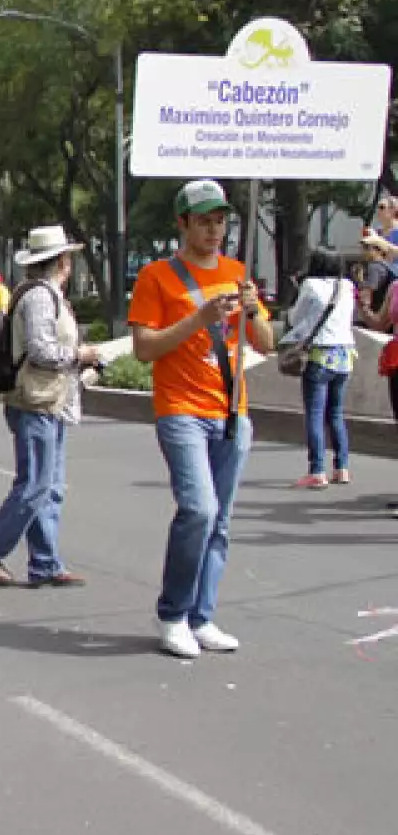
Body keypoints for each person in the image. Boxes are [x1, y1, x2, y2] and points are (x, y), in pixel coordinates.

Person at [129, 180, 274, 659]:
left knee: (221, 521)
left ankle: (201, 616)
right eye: (204, 221)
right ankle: (172, 613)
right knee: (199, 509)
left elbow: (266, 343)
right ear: (183, 224)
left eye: (219, 221)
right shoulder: (157, 276)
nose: (213, 230)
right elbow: (144, 348)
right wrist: (199, 318)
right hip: (181, 410)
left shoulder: (237, 272)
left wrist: (253, 312)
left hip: (231, 411)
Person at [0, 226, 97, 588]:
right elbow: (41, 350)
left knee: (49, 487)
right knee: (35, 485)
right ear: (63, 262)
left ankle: (45, 562)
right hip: (35, 400)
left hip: (49, 399)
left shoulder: (43, 294)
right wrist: (79, 355)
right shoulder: (40, 298)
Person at [281, 249, 357, 490]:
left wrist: (297, 293)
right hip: (344, 354)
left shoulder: (310, 285)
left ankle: (317, 470)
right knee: (335, 412)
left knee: (315, 414)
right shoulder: (347, 286)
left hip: (320, 354)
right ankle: (342, 468)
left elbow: (295, 318)